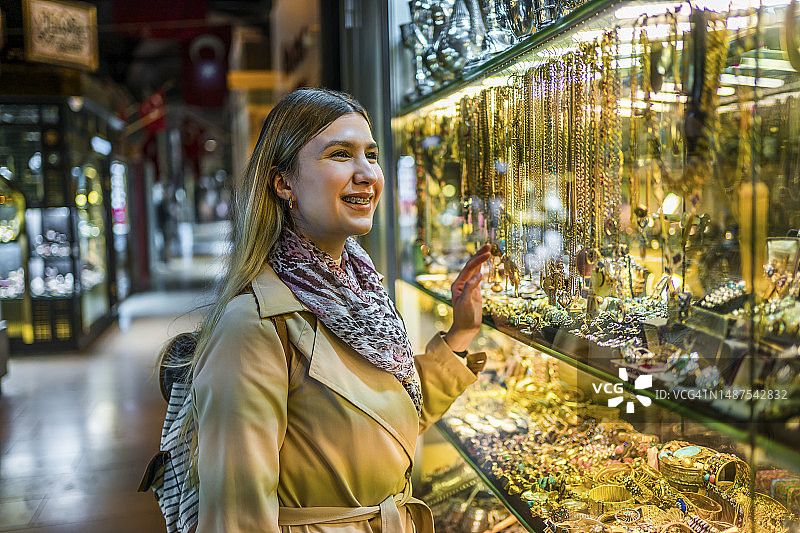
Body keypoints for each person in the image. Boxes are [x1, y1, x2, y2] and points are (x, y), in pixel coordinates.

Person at [187, 88, 491, 533]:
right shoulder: (253, 326)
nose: (366, 173)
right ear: (283, 183)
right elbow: (236, 519)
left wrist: (460, 333)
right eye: (340, 154)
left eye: (371, 154)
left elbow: (385, 423)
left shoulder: (361, 291)